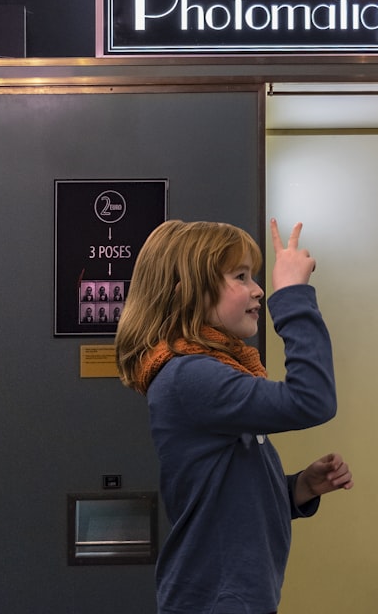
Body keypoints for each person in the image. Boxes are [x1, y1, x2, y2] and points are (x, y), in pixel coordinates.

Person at [116, 218, 352, 614]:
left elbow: (228, 495)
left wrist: (297, 489)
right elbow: (312, 399)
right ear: (187, 293)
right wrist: (293, 293)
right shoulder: (189, 375)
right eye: (240, 276)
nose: (258, 289)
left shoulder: (205, 371)